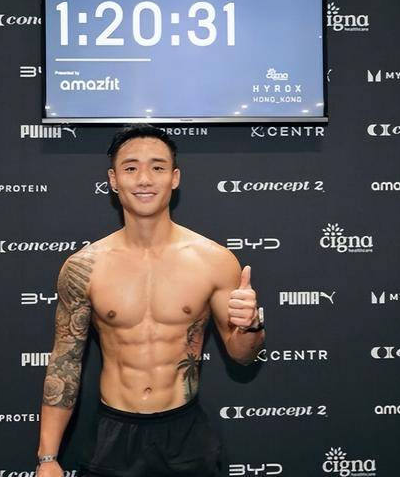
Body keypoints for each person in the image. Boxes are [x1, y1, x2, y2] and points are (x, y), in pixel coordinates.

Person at [35, 123, 266, 477]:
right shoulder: (83, 268)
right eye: (131, 168)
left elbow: (242, 356)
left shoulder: (215, 261)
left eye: (157, 167)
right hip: (112, 435)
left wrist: (251, 326)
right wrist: (48, 458)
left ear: (175, 178)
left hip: (186, 435)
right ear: (113, 180)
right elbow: (64, 364)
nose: (144, 179)